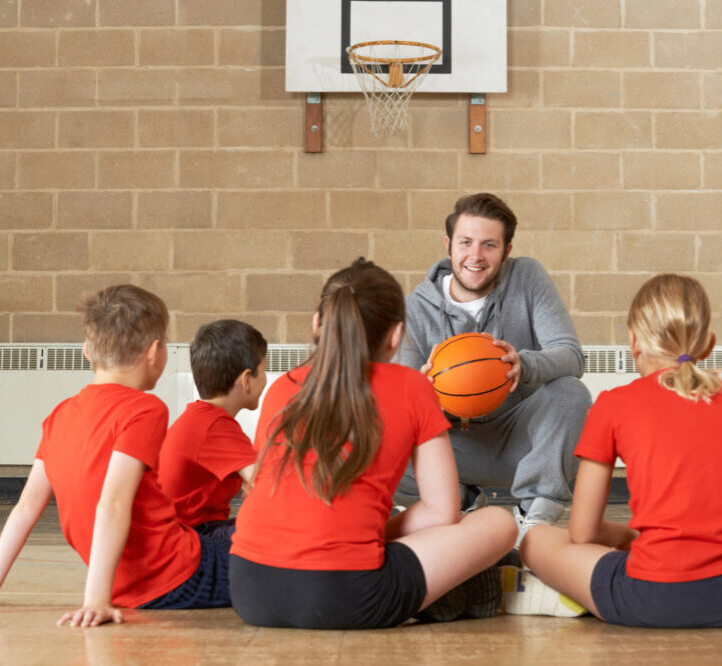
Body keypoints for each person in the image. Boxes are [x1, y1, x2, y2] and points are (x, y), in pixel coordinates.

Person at [229, 258, 518, 629]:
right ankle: (446, 591)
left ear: (318, 324)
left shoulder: (282, 387)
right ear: (396, 336)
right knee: (498, 521)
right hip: (346, 597)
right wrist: (373, 534)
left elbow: (261, 489)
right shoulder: (413, 387)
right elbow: (442, 513)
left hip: (250, 590)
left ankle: (438, 592)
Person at [507, 274, 722, 628]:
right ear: (709, 344)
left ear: (634, 341)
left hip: (658, 597)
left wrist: (625, 537)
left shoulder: (614, 404)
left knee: (537, 538)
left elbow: (583, 533)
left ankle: (561, 594)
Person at [0, 285, 230, 628]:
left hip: (134, 579)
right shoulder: (145, 409)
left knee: (221, 531)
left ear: (86, 350)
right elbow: (112, 503)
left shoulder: (60, 413)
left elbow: (25, 509)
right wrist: (96, 600)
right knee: (265, 535)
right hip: (178, 578)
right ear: (155, 351)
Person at [396, 192, 591, 538]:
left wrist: (523, 364)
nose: (475, 256)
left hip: (520, 440)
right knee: (385, 432)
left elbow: (571, 356)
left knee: (570, 393)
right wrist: (421, 393)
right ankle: (458, 499)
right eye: (466, 242)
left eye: (489, 245)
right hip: (452, 447)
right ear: (448, 244)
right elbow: (401, 406)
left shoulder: (527, 277)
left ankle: (533, 517)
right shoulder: (415, 308)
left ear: (507, 251)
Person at [158, 319, 267, 540]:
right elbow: (266, 485)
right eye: (263, 371)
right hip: (188, 540)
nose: (265, 380)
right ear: (246, 379)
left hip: (186, 532)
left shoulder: (201, 418)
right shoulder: (214, 426)